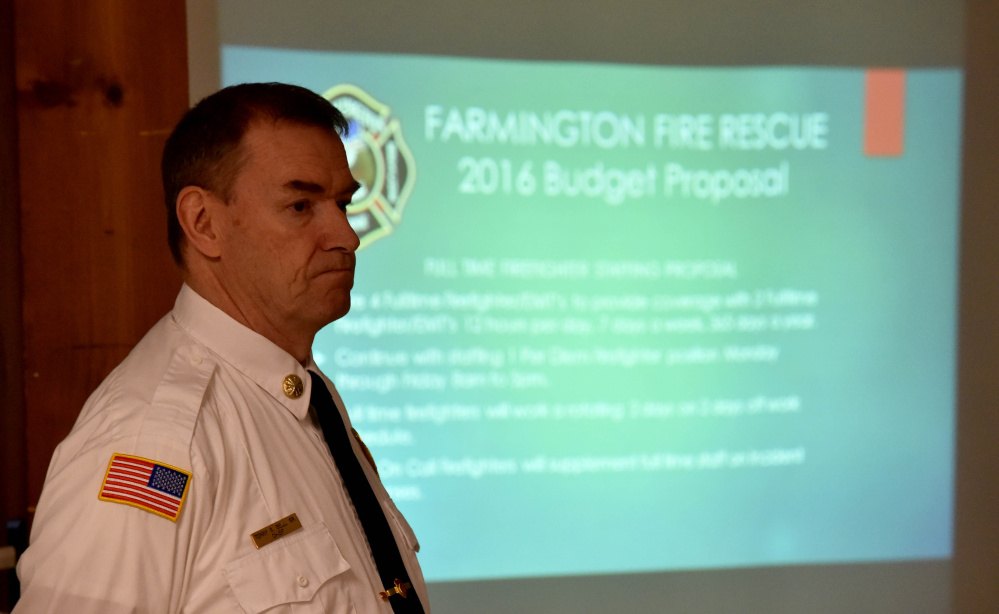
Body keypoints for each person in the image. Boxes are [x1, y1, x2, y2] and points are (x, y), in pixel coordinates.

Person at [14, 82, 428, 613]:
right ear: (203, 223)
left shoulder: (301, 391)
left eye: (343, 203)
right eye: (301, 205)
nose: (346, 235)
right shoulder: (154, 439)